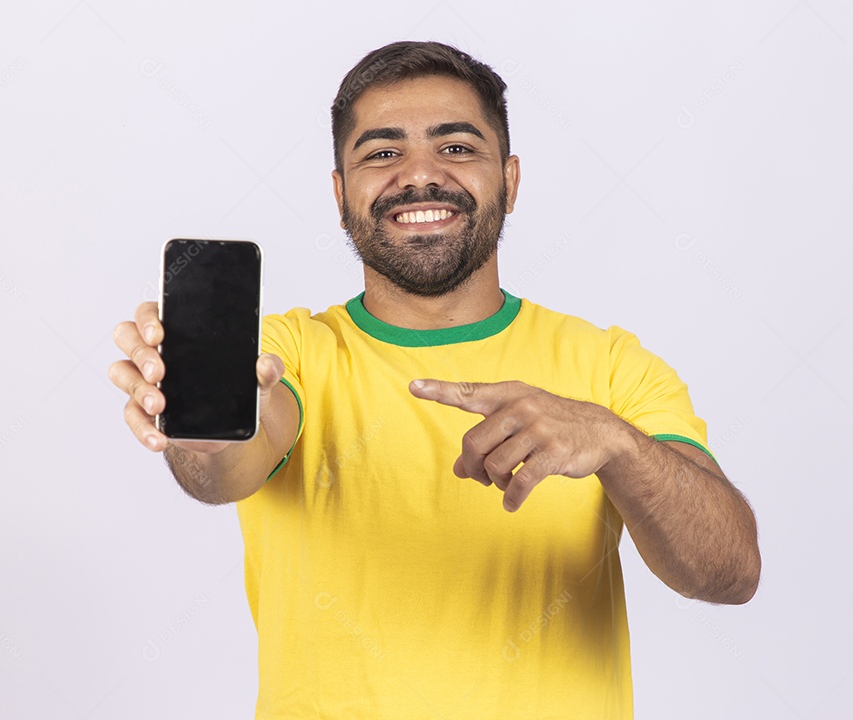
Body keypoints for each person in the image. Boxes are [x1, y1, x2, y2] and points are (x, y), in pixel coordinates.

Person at [109, 40, 760, 719]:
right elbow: (223, 470)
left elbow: (729, 572)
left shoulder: (612, 367)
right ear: (340, 193)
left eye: (455, 148)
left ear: (509, 179)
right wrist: (199, 421)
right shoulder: (286, 352)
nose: (419, 176)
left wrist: (617, 444)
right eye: (383, 153)